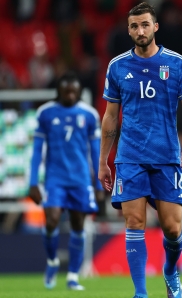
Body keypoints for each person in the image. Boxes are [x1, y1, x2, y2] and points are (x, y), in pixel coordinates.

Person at [98, 3, 182, 298]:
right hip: (129, 157)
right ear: (128, 30)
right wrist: (105, 160)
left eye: (144, 24)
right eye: (133, 26)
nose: (139, 31)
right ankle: (141, 293)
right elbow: (110, 117)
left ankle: (170, 269)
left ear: (155, 26)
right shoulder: (117, 66)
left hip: (167, 156)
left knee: (171, 228)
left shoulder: (176, 63)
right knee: (134, 221)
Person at [29, 72, 104, 290]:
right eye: (66, 91)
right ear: (59, 91)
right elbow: (36, 151)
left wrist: (98, 185)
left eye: (74, 91)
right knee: (51, 221)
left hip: (80, 180)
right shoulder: (45, 113)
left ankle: (73, 276)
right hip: (55, 179)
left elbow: (96, 152)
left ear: (79, 92)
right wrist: (33, 182)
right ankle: (52, 260)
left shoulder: (89, 115)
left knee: (78, 225)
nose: (70, 94)